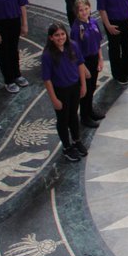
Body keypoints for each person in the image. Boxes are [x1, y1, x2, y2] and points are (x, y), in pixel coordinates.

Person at [41, 23, 88, 162]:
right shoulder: (47, 55)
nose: (60, 37)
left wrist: (83, 85)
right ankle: (67, 147)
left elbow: (80, 64)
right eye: (57, 35)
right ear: (51, 38)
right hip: (60, 90)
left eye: (62, 34)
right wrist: (54, 99)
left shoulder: (72, 46)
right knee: (63, 119)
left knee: (73, 115)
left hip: (74, 86)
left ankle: (76, 140)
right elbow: (47, 79)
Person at [70, 0, 105, 128]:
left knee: (92, 87)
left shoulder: (93, 22)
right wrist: (83, 68)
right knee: (85, 90)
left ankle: (90, 110)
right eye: (81, 10)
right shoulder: (76, 29)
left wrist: (100, 58)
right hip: (84, 62)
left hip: (94, 57)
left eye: (86, 9)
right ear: (76, 12)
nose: (84, 12)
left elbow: (98, 42)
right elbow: (75, 52)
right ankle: (85, 116)